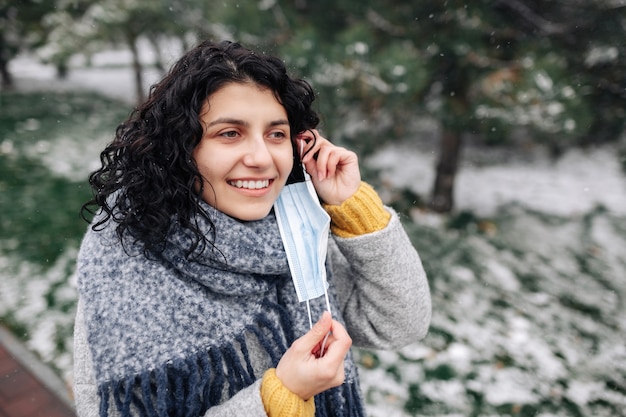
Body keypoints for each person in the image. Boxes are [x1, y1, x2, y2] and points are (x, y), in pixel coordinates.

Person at [73, 40, 431, 417]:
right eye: (230, 133)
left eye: (276, 134)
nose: (261, 158)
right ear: (179, 147)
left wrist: (353, 206)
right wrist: (281, 398)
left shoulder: (292, 234)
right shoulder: (126, 267)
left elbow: (399, 323)